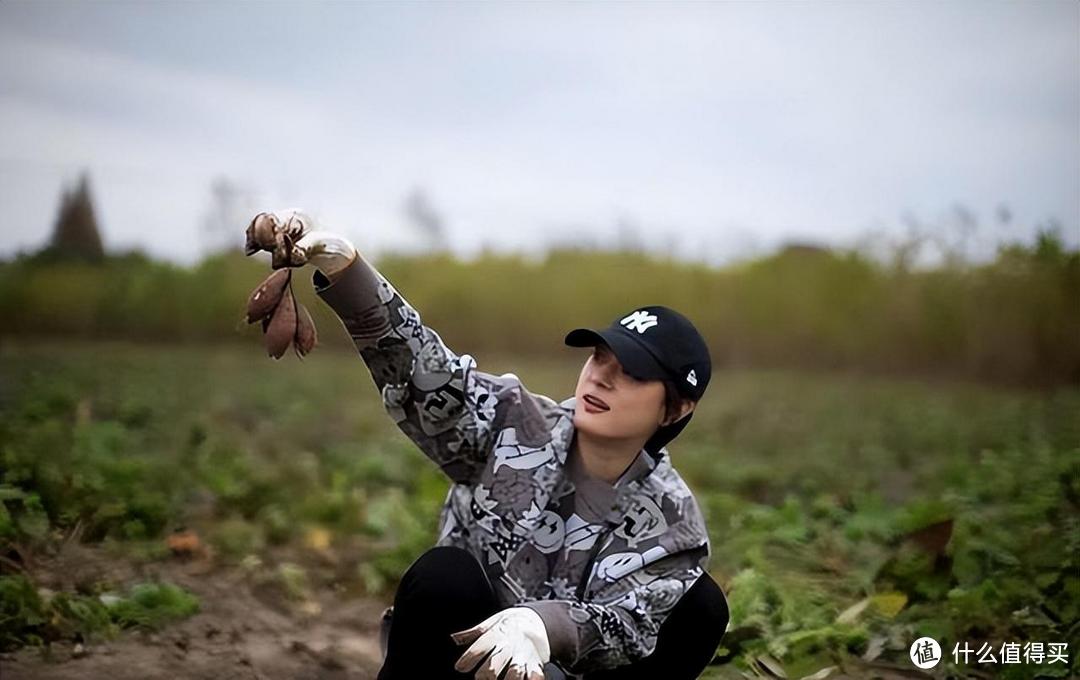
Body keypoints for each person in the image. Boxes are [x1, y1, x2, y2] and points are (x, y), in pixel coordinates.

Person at [247, 210, 730, 680]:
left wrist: (542, 627)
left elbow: (631, 627)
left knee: (701, 608)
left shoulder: (674, 526)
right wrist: (349, 274)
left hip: (559, 673)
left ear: (675, 409)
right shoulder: (515, 422)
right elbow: (428, 377)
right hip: (455, 658)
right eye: (599, 358)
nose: (601, 378)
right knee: (445, 575)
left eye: (631, 373)